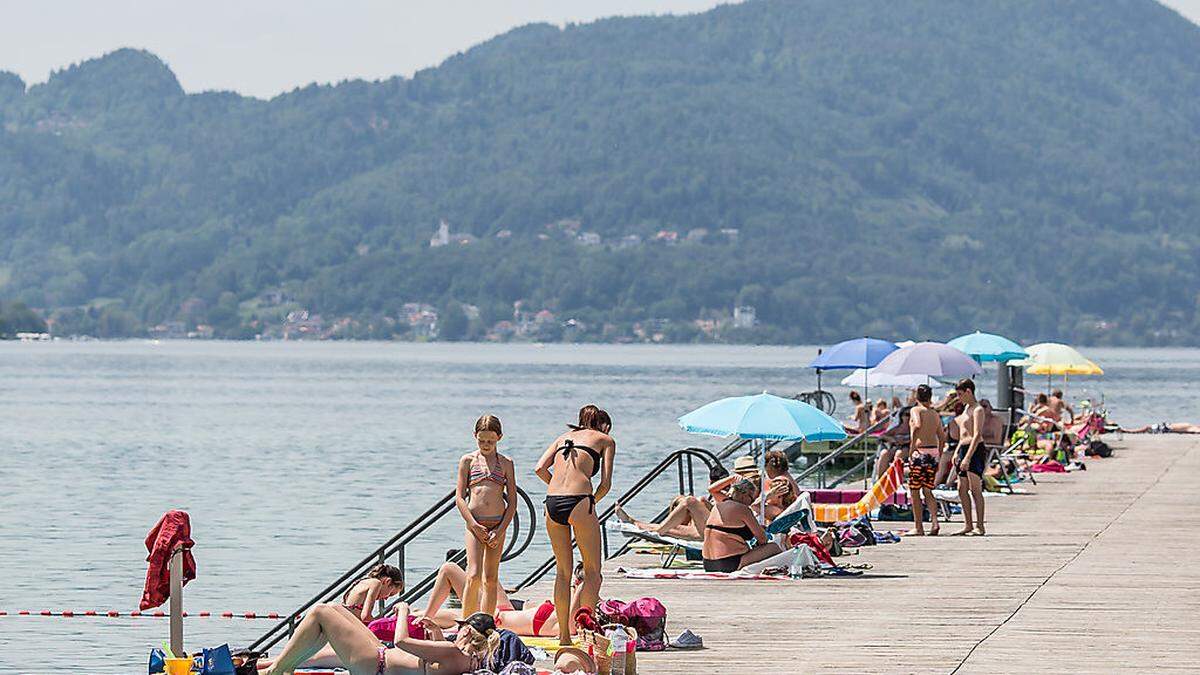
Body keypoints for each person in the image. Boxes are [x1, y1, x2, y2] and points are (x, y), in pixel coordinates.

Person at [535, 405, 616, 645]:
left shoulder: (562, 438)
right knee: (592, 572)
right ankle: (587, 633)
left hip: (552, 502)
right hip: (580, 501)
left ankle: (564, 637)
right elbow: (605, 484)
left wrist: (557, 489)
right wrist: (590, 502)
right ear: (605, 425)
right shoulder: (606, 439)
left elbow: (539, 468)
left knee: (562, 571)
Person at [259, 602, 499, 675]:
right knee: (336, 609)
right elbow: (434, 662)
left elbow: (401, 642)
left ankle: (278, 670)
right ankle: (282, 667)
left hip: (374, 664)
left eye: (461, 628)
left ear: (466, 631)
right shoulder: (467, 660)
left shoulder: (452, 652)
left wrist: (404, 610)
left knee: (321, 612)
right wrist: (435, 631)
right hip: (379, 658)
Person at [415, 562, 585, 638]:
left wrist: (577, 589)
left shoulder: (564, 626)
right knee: (479, 564)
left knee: (449, 569)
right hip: (505, 610)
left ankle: (423, 616)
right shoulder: (567, 613)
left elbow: (570, 628)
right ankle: (416, 614)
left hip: (494, 619)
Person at [455, 414, 517, 617]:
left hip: (497, 526)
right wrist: (472, 524)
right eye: (481, 440)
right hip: (475, 525)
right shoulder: (468, 461)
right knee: (473, 574)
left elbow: (513, 502)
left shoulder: (506, 463)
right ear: (475, 436)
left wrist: (500, 531)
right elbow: (460, 498)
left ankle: (486, 622)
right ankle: (467, 620)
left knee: (490, 578)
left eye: (490, 440)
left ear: (499, 437)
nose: (486, 444)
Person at [615, 465, 732, 540]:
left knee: (691, 501)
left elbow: (711, 491)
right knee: (671, 528)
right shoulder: (725, 494)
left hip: (717, 532)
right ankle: (632, 523)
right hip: (709, 530)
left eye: (726, 483)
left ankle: (650, 530)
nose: (724, 486)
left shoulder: (735, 494)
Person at [701, 478, 781, 572]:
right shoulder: (742, 509)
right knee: (774, 547)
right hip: (728, 563)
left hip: (708, 564)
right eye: (752, 499)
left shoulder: (718, 506)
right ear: (744, 495)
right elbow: (762, 539)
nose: (751, 503)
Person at [906, 385, 945, 536]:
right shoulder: (935, 414)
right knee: (928, 490)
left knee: (915, 490)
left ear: (917, 397)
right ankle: (935, 521)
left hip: (920, 453)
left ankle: (919, 527)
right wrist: (939, 453)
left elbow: (917, 426)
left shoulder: (916, 410)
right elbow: (942, 436)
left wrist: (911, 449)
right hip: (933, 453)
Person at [952, 379, 988, 536]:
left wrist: (967, 457)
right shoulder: (966, 408)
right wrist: (957, 452)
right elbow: (963, 434)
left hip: (975, 449)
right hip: (963, 447)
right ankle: (968, 524)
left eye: (960, 394)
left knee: (975, 489)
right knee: (961, 488)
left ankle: (980, 525)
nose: (959, 398)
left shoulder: (977, 409)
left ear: (968, 391)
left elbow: (976, 434)